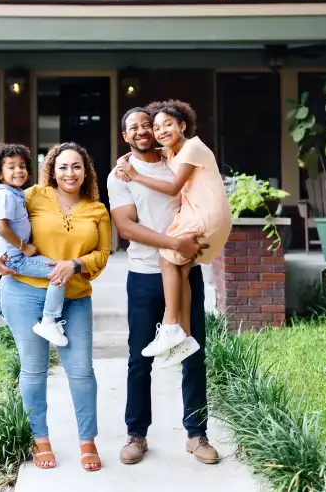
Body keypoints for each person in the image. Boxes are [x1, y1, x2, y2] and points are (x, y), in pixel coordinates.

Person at [0, 142, 110, 473]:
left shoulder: (96, 210)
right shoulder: (32, 195)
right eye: (63, 167)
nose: (70, 173)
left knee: (81, 371)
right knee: (34, 369)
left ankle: (87, 440)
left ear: (86, 172)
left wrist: (75, 264)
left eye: (76, 166)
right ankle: (40, 439)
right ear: (52, 170)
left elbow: (102, 255)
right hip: (24, 294)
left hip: (74, 298)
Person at [108, 107, 221, 466]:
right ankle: (136, 435)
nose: (142, 131)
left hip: (186, 271)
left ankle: (196, 434)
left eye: (148, 125)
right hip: (143, 274)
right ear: (125, 137)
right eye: (134, 128)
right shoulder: (120, 175)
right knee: (139, 360)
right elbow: (125, 227)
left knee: (193, 354)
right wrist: (173, 244)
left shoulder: (176, 160)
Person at [115, 100, 231, 363]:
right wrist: (126, 158)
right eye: (157, 127)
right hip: (203, 213)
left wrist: (134, 174)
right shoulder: (175, 152)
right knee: (182, 267)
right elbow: (150, 150)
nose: (161, 131)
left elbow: (173, 188)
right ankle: (185, 337)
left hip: (204, 214)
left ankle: (169, 326)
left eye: (168, 124)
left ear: (182, 125)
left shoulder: (192, 147)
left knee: (167, 255)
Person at [0, 143, 68, 347]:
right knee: (58, 272)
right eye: (11, 167)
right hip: (16, 255)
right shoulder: (6, 195)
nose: (18, 170)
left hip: (11, 255)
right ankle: (48, 320)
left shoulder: (16, 193)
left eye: (22, 166)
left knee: (8, 276)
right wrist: (23, 246)